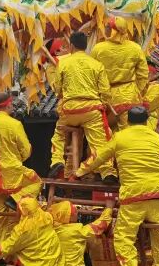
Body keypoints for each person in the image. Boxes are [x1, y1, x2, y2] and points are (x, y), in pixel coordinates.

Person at [76, 106, 159, 266]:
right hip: (158, 192)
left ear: (127, 120)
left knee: (123, 234)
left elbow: (99, 156)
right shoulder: (156, 138)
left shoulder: (120, 137)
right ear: (146, 121)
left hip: (134, 195)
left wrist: (79, 172)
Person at [46, 32, 116, 182]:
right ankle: (107, 172)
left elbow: (58, 89)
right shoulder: (97, 64)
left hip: (69, 111)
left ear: (71, 46)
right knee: (102, 141)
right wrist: (103, 106)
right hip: (91, 110)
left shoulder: (63, 63)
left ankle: (56, 161)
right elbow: (105, 92)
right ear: (86, 46)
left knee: (59, 135)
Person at [0, 92, 42, 245]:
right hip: (13, 175)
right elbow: (25, 151)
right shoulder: (14, 124)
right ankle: (15, 199)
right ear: (8, 105)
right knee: (36, 182)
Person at [90, 24, 148, 129]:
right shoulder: (135, 47)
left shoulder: (98, 48)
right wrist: (138, 90)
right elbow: (143, 74)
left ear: (113, 31)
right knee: (129, 130)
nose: (105, 29)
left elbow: (92, 73)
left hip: (106, 96)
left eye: (107, 27)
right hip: (129, 95)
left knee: (106, 131)